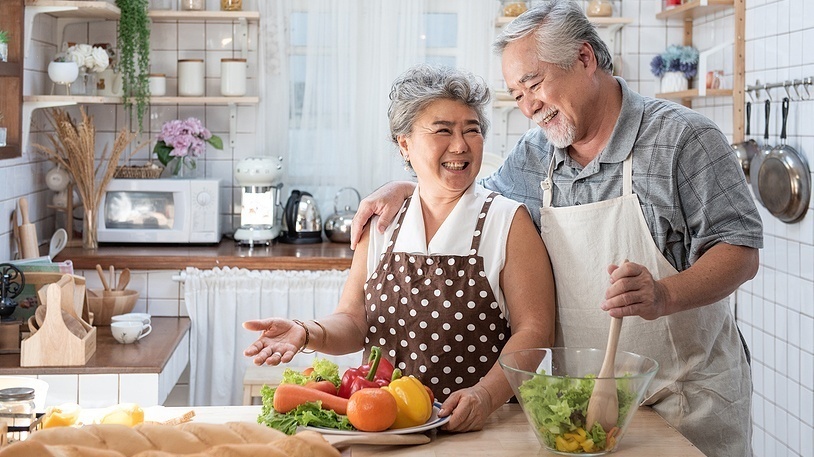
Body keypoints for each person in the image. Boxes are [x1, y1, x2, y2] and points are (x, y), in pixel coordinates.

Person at [349, 2, 762, 456]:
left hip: (683, 400)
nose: (529, 107)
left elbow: (740, 251)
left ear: (585, 59)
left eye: (533, 85)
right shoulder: (534, 155)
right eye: (517, 95)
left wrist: (664, 295)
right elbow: (467, 194)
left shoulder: (684, 139)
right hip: (578, 405)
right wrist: (407, 184)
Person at [243, 64, 556, 432]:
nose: (461, 145)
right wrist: (306, 330)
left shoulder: (506, 220)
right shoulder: (383, 222)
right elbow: (354, 321)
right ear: (404, 143)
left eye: (472, 130)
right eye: (443, 131)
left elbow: (535, 331)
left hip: (484, 426)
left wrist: (484, 396)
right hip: (385, 426)